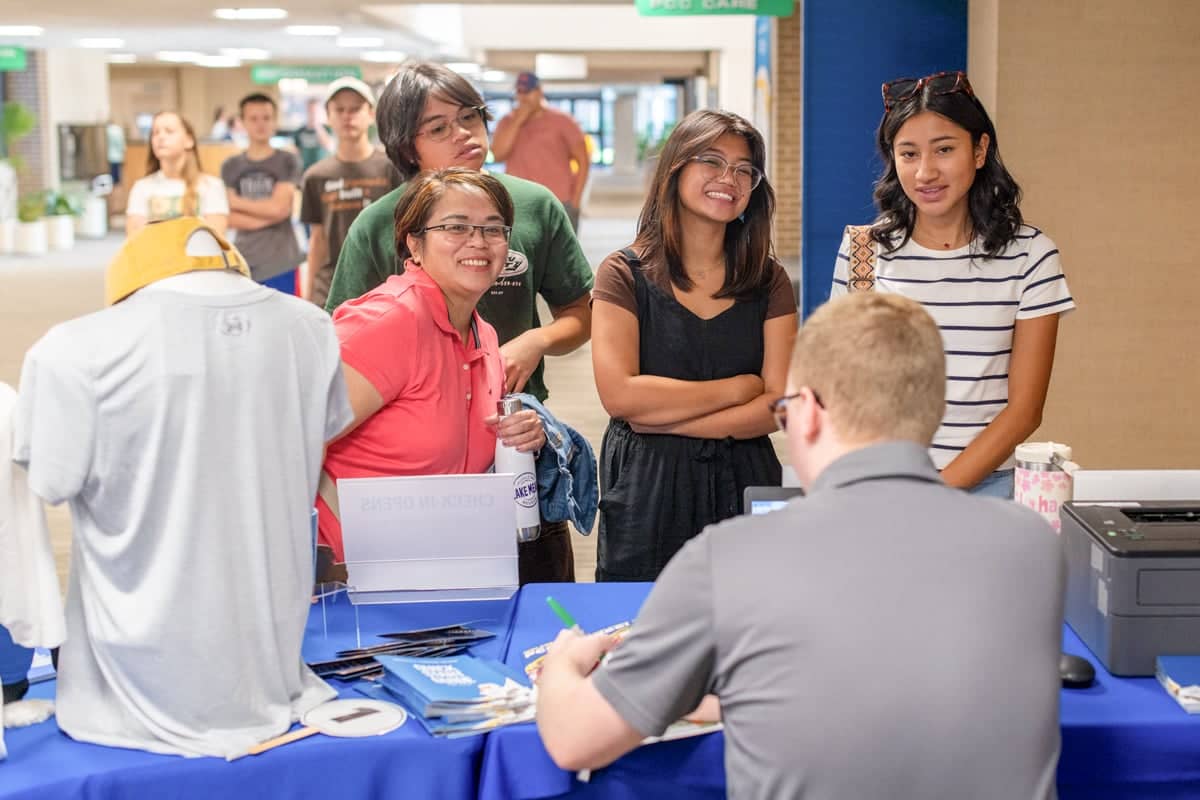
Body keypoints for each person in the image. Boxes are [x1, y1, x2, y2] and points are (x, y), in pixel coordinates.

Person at [537, 292, 1066, 800]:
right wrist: (741, 699)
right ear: (931, 412)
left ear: (808, 411)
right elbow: (900, 688)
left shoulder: (727, 558)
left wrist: (563, 664)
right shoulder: (1033, 546)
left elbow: (574, 740)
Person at [325, 61, 594, 583]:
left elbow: (581, 314)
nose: (464, 134)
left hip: (500, 448)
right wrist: (330, 548)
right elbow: (311, 417)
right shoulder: (382, 268)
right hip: (400, 503)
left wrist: (535, 342)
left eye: (471, 117)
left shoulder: (529, 215)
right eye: (439, 127)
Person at [831, 70, 1074, 497]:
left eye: (944, 149)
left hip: (990, 488)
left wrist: (937, 493)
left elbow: (1024, 410)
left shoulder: (1031, 255)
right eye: (908, 154)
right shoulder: (862, 251)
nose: (926, 172)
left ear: (980, 150)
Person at [590, 109, 798, 582]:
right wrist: (738, 387)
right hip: (648, 484)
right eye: (712, 160)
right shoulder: (624, 273)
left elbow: (776, 406)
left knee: (751, 620)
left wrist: (662, 419)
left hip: (744, 477)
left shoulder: (769, 280)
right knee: (642, 624)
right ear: (675, 169)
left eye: (745, 169)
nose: (730, 178)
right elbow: (620, 396)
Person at [317, 168, 545, 570]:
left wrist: (519, 434)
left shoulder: (484, 335)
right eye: (456, 226)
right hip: (348, 577)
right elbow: (289, 438)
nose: (479, 241)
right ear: (414, 244)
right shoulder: (388, 322)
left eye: (494, 229)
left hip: (439, 568)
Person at [299, 77, 402, 307]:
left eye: (355, 109)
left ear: (371, 113)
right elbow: (317, 240)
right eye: (340, 109)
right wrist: (308, 296)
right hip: (330, 288)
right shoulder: (316, 176)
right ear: (328, 116)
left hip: (382, 286)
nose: (348, 116)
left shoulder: (393, 168)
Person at [221, 93, 303, 294]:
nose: (261, 125)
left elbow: (282, 208)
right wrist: (272, 213)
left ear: (275, 121)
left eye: (266, 118)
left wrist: (235, 201)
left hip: (281, 261)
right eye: (254, 119)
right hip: (244, 261)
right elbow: (227, 217)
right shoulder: (231, 166)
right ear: (242, 122)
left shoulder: (287, 160)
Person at [490, 71, 590, 231]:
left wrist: (576, 200)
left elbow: (583, 161)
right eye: (519, 92)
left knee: (561, 254)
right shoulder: (507, 122)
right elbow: (497, 155)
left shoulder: (563, 121)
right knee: (522, 253)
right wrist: (517, 122)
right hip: (519, 201)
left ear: (539, 91)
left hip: (558, 201)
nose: (523, 97)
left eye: (528, 92)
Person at [125, 112, 228, 237]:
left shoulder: (211, 186)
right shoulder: (142, 187)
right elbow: (135, 241)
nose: (161, 137)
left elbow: (215, 241)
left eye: (169, 131)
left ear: (189, 140)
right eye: (155, 132)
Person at [105, 120, 125, 186]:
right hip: (116, 155)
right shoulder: (117, 130)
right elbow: (120, 143)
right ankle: (115, 184)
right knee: (116, 173)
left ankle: (114, 184)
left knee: (114, 172)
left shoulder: (109, 130)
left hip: (112, 155)